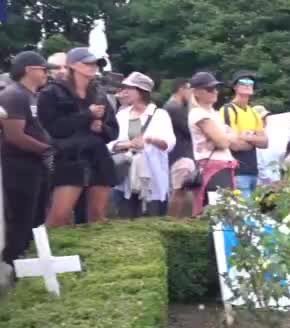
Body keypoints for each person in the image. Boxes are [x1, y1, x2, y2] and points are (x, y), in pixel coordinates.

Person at [38, 47, 118, 226]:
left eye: (96, 63)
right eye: (87, 63)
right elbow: (53, 129)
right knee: (60, 217)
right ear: (72, 66)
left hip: (98, 156)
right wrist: (87, 116)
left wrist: (101, 128)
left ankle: (92, 253)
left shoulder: (99, 93)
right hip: (68, 157)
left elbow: (113, 130)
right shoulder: (51, 92)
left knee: (98, 217)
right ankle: (46, 252)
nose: (93, 67)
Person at [0, 51, 56, 270]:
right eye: (43, 70)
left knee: (36, 215)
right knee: (22, 216)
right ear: (29, 70)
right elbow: (15, 136)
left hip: (35, 165)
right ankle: (15, 265)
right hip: (19, 166)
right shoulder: (14, 95)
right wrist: (48, 149)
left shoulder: (32, 95)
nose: (46, 74)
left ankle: (32, 262)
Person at [108, 72, 175, 218]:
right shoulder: (121, 115)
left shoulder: (160, 114)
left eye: (129, 88)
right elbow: (109, 143)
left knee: (152, 219)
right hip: (125, 177)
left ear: (141, 91)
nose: (125, 92)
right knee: (125, 219)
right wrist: (127, 144)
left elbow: (169, 143)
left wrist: (150, 140)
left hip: (152, 178)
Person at [188, 72, 242, 215]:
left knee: (225, 212)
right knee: (218, 212)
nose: (214, 92)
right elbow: (224, 141)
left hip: (222, 165)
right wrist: (225, 137)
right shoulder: (198, 113)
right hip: (213, 168)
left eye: (215, 88)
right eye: (209, 89)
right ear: (197, 92)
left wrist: (225, 138)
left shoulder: (214, 113)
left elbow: (233, 138)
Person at [219, 71, 268, 199]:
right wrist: (254, 140)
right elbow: (234, 144)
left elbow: (265, 142)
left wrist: (245, 137)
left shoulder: (253, 112)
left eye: (250, 83)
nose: (248, 85)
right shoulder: (228, 109)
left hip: (253, 170)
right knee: (246, 214)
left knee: (251, 212)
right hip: (236, 170)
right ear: (235, 87)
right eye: (243, 82)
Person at [164, 79, 195, 218]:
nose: (191, 93)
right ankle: (172, 221)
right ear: (181, 89)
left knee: (180, 190)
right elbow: (191, 130)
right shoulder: (174, 107)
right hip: (179, 155)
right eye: (190, 89)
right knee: (179, 191)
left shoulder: (173, 107)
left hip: (179, 154)